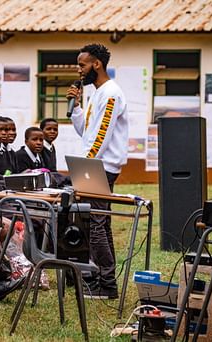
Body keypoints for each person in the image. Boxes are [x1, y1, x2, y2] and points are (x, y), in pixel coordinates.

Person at [67, 43, 128, 299]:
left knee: (95, 226)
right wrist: (77, 107)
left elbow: (102, 136)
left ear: (97, 64)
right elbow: (87, 132)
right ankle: (106, 280)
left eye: (82, 65)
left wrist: (85, 166)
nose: (79, 71)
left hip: (100, 167)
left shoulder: (111, 93)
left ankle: (106, 284)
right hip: (94, 164)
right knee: (99, 224)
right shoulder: (97, 93)